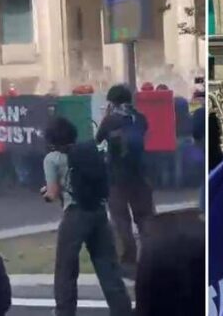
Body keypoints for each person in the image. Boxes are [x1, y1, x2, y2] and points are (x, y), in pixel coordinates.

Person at [42, 117, 133, 316]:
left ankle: (64, 311)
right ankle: (122, 310)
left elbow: (53, 192)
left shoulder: (52, 158)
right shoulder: (88, 152)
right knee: (108, 267)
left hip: (75, 214)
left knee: (65, 268)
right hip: (99, 211)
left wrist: (47, 194)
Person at [96, 84, 154, 266]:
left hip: (116, 177)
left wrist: (106, 116)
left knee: (121, 221)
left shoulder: (110, 120)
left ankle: (128, 260)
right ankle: (152, 254)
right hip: (140, 174)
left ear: (112, 102)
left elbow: (98, 139)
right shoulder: (140, 118)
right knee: (145, 218)